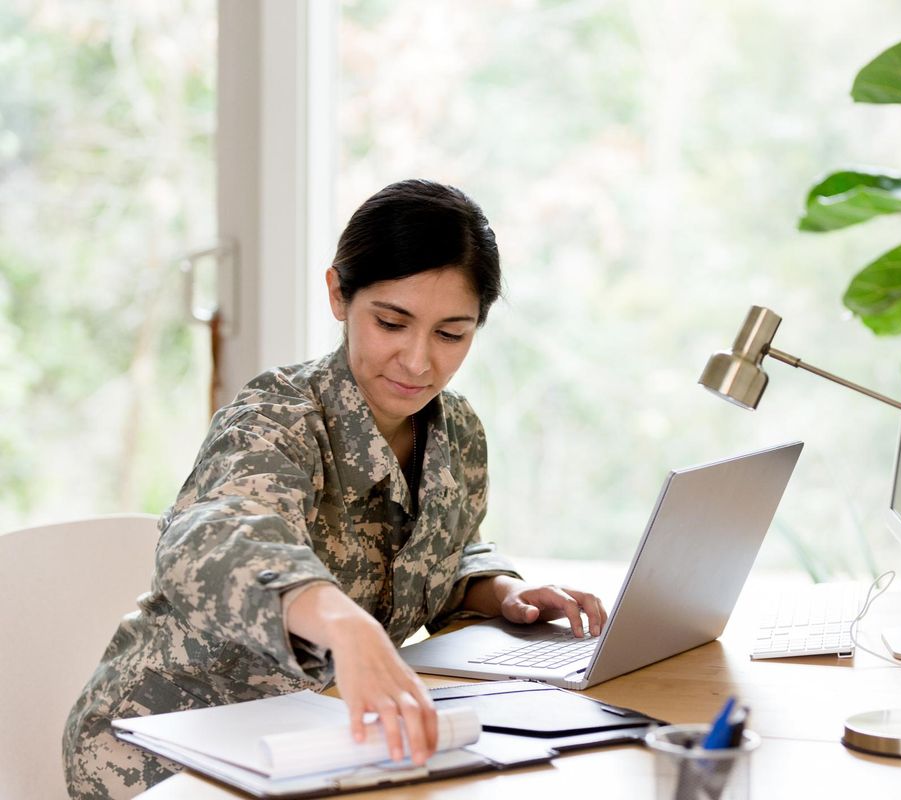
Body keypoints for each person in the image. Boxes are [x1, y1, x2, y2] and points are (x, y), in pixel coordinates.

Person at [62, 179, 607, 800]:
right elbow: (214, 537)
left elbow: (444, 560)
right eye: (391, 323)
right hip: (172, 746)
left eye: (450, 334)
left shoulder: (456, 431)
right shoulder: (277, 416)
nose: (417, 361)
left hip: (323, 738)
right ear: (338, 295)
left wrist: (505, 593)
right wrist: (344, 625)